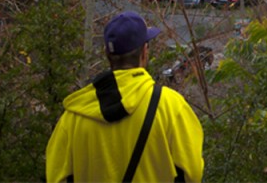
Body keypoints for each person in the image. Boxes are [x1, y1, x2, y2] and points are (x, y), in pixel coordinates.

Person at [46, 11, 204, 183]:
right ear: (144, 52)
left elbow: (55, 176)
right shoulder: (170, 106)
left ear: (107, 54)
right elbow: (193, 173)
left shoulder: (74, 116)